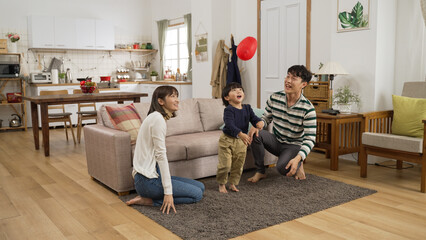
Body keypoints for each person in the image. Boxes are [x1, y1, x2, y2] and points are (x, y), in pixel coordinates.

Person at [126, 86, 205, 214]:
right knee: (196, 195)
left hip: (152, 176)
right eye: (172, 96)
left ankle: (152, 195)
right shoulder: (157, 119)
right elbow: (161, 157)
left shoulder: (156, 117)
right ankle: (149, 201)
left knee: (200, 187)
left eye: (177, 96)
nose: (177, 100)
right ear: (161, 101)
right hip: (147, 181)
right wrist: (168, 193)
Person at [247, 65, 316, 182]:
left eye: (294, 78)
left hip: (293, 145)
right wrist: (258, 125)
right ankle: (260, 171)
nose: (288, 81)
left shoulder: (308, 109)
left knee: (282, 169)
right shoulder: (274, 98)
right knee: (256, 133)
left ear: (303, 84)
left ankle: (297, 162)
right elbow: (266, 118)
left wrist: (299, 157)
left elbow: (310, 139)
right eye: (287, 76)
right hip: (276, 141)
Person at [217, 82, 264, 193]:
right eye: (234, 90)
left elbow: (255, 119)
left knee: (238, 165)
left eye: (240, 89)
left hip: (241, 142)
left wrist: (260, 122)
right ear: (227, 97)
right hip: (227, 140)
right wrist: (240, 133)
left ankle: (233, 183)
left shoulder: (247, 108)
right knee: (225, 165)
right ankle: (221, 183)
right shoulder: (228, 110)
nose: (238, 91)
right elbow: (229, 124)